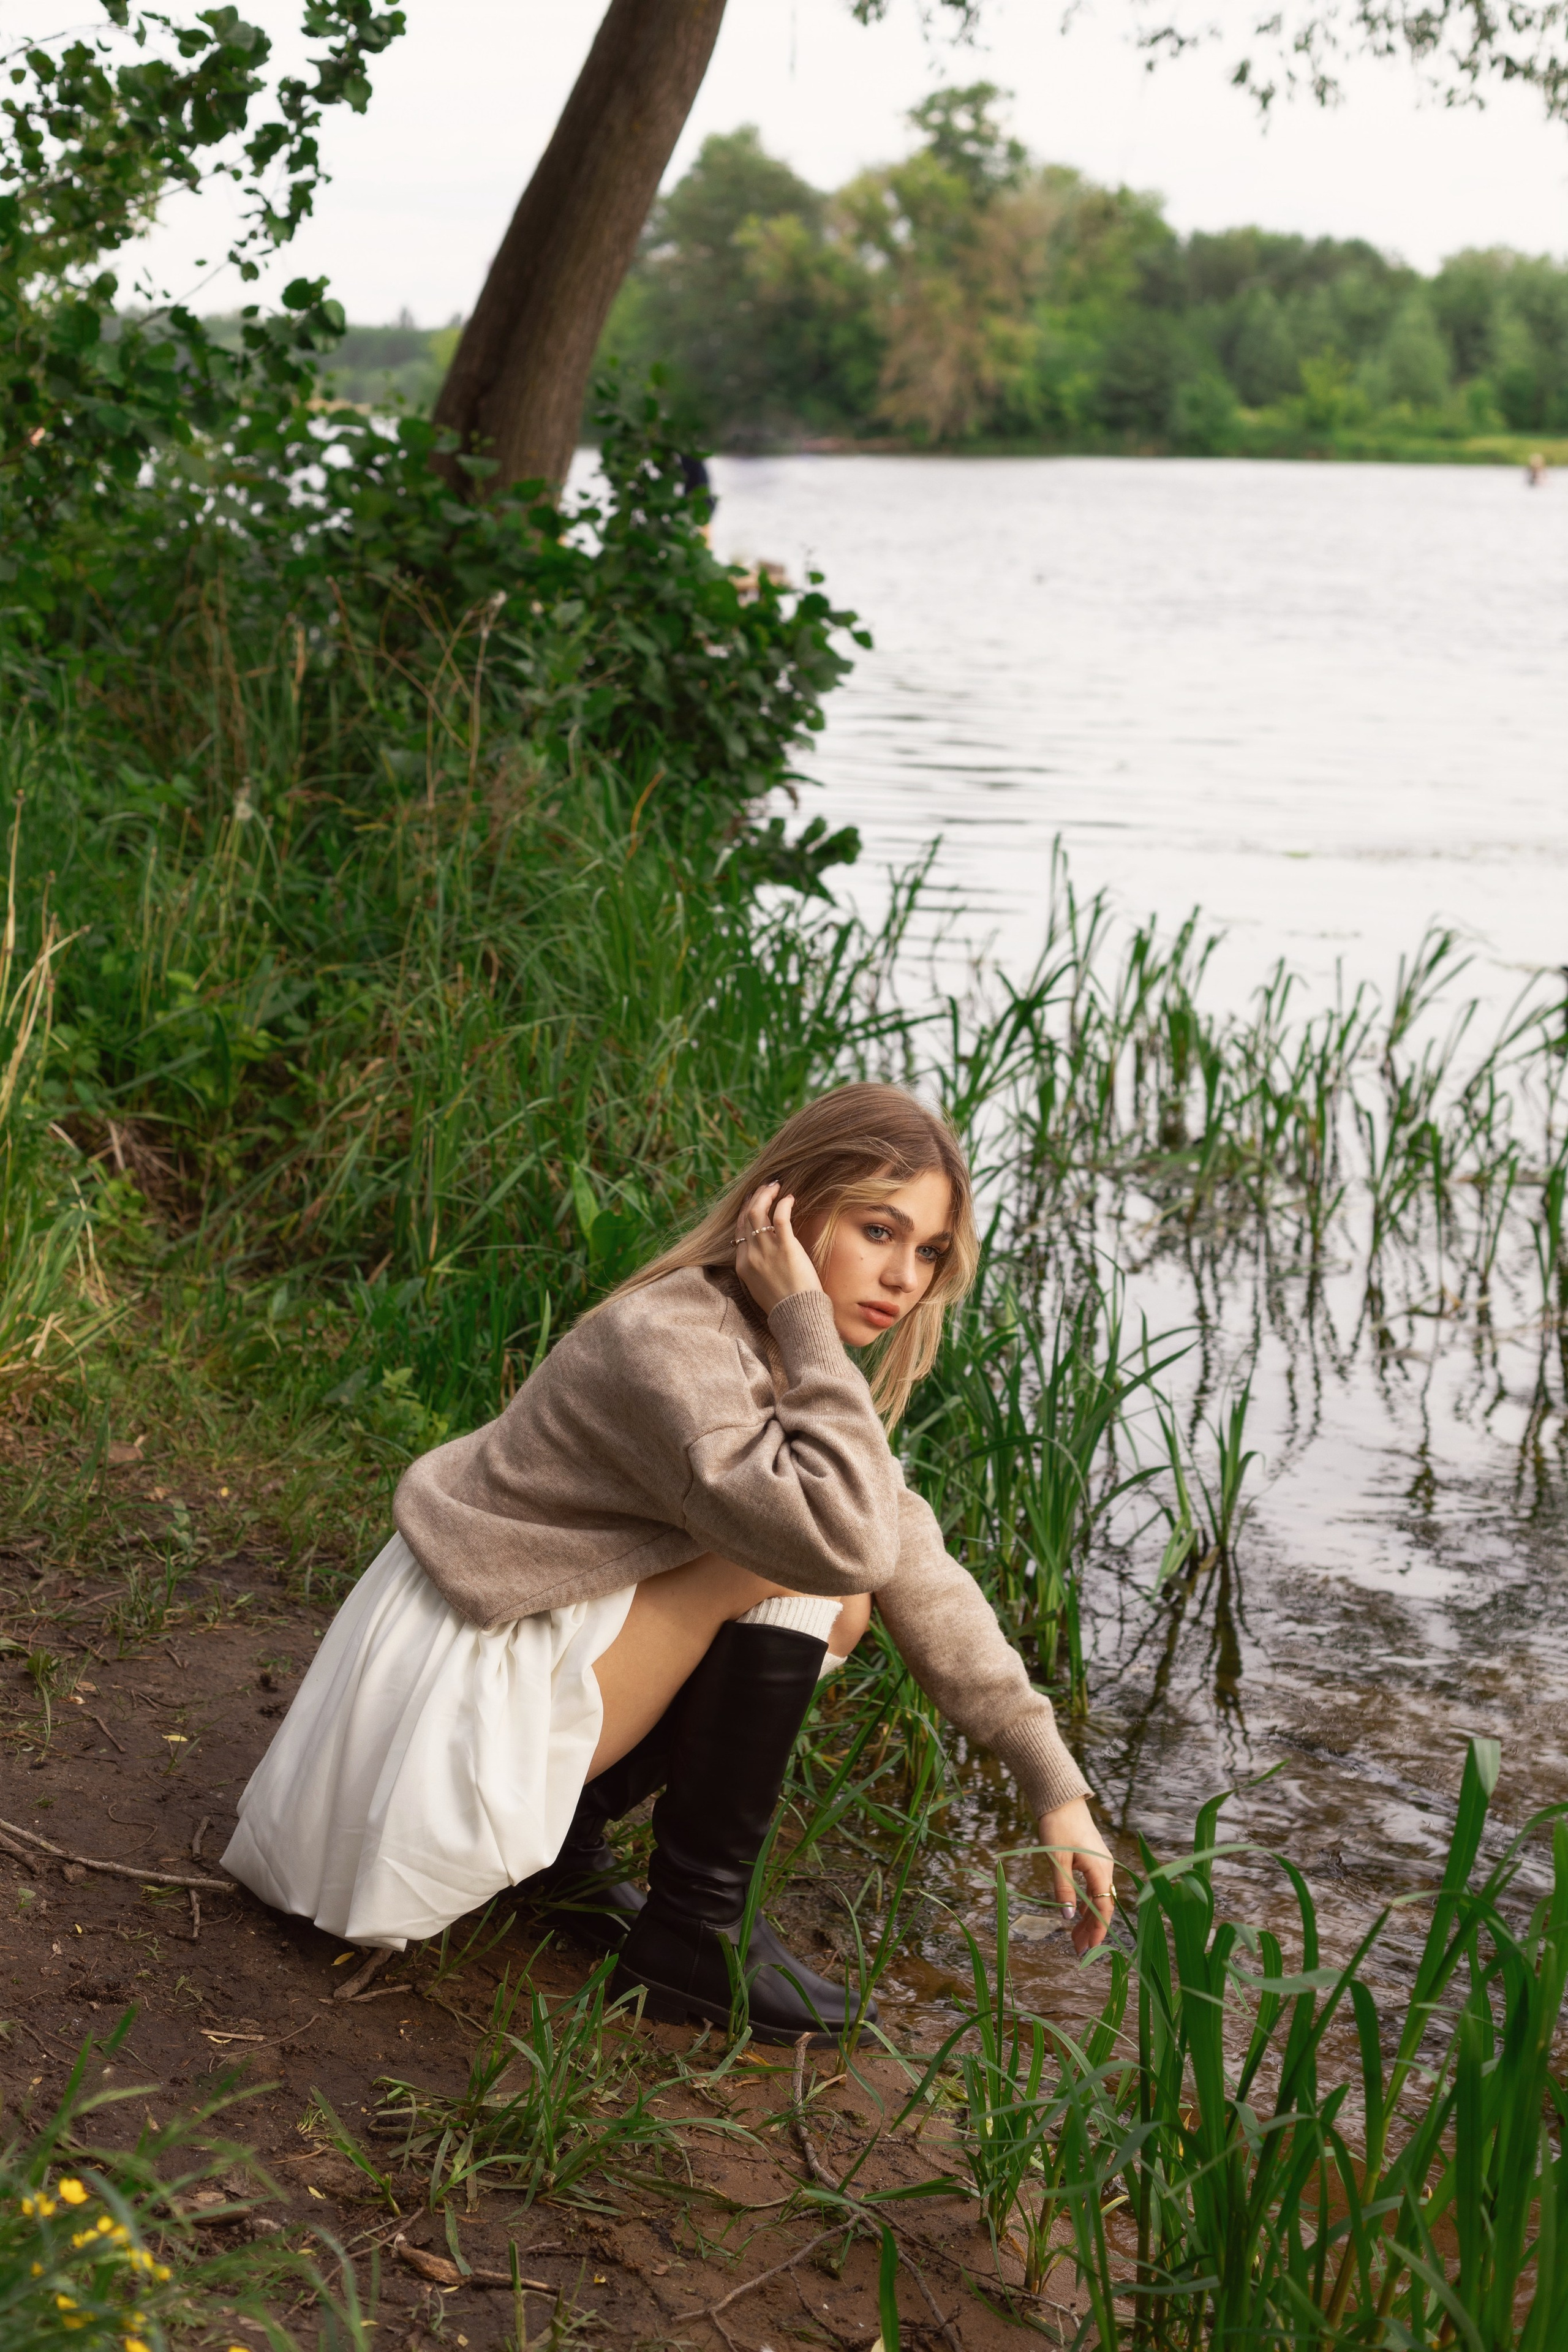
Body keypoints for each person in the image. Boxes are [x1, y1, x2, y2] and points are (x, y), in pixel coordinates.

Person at [224, 1084, 1114, 2043]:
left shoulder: (766, 1344)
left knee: (842, 1586)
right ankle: (694, 1929)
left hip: (499, 1653)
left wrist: (1052, 1784)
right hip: (441, 1721)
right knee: (817, 1577)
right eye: (878, 1230)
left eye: (929, 1251)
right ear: (785, 1211)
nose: (903, 1277)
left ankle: (571, 1846)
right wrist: (809, 1318)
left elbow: (914, 1558)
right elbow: (854, 1543)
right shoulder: (679, 1343)